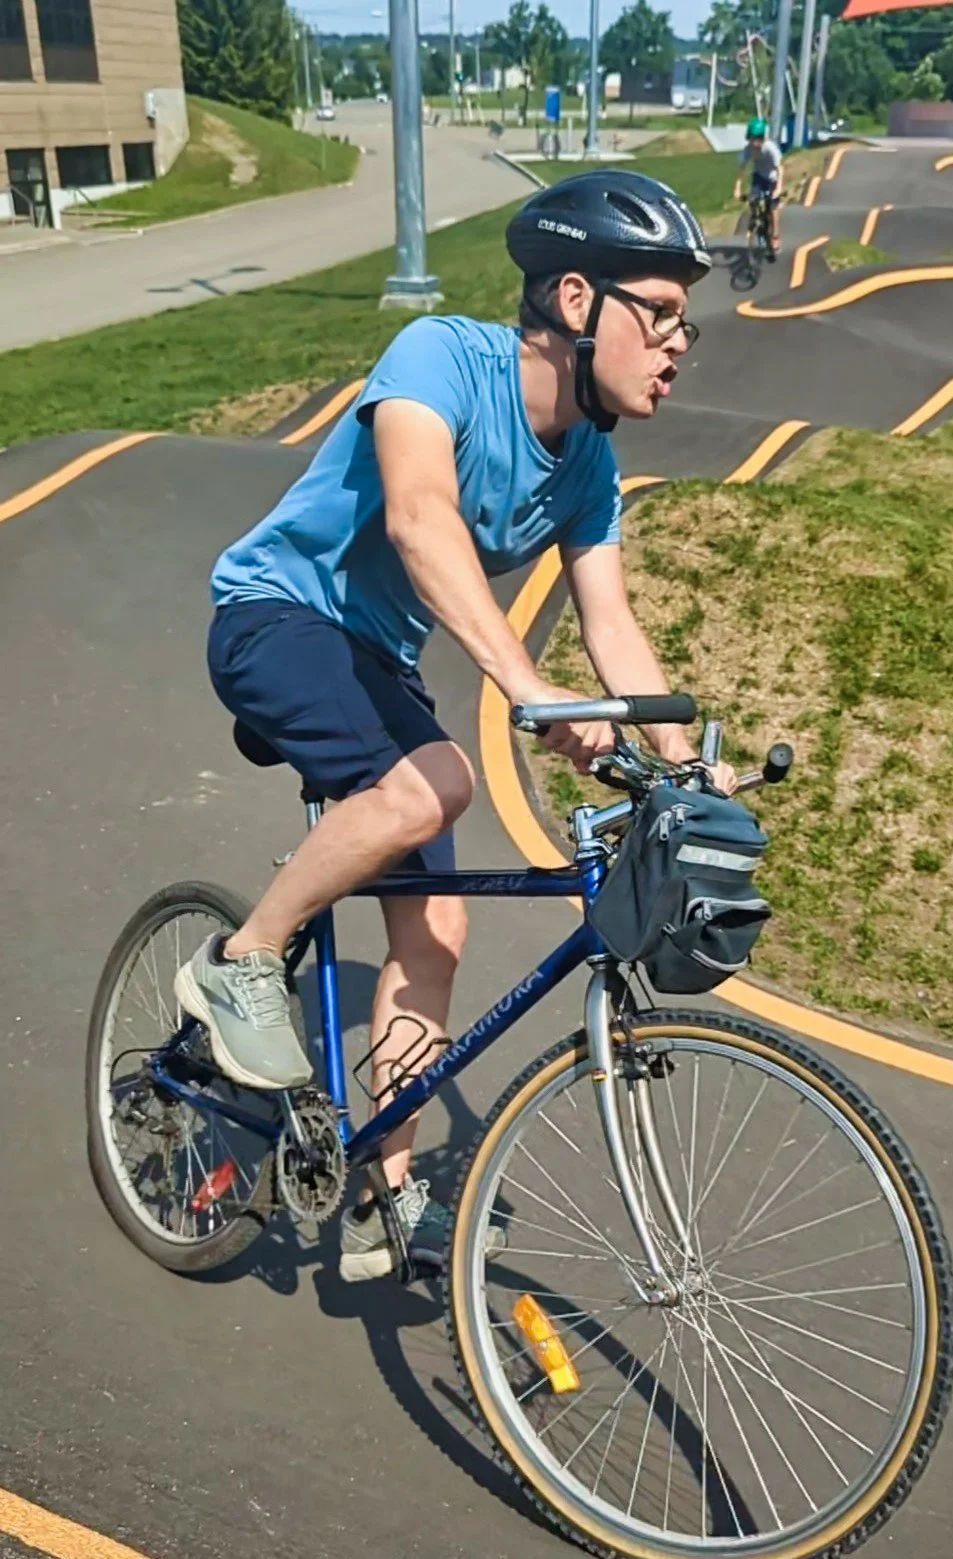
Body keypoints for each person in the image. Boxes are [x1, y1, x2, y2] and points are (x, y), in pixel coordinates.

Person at [174, 169, 738, 1283]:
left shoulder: (590, 466)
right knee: (436, 781)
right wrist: (529, 690)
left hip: (373, 663)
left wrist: (683, 762)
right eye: (661, 313)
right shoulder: (440, 357)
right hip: (275, 617)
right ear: (576, 300)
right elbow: (421, 517)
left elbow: (612, 620)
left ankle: (380, 1195)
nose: (680, 342)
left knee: (436, 929)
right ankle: (241, 960)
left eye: (688, 321)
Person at [735, 115, 783, 260]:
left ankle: (775, 236)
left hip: (772, 178)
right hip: (759, 177)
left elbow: (780, 169)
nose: (756, 143)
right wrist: (737, 188)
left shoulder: (770, 148)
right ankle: (756, 220)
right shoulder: (747, 150)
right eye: (753, 139)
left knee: (773, 206)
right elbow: (742, 169)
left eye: (759, 139)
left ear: (763, 138)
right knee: (753, 199)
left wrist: (778, 188)